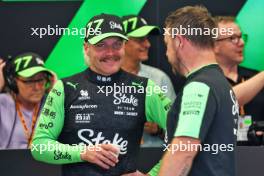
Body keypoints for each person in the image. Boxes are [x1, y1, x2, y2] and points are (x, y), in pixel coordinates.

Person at [31, 13, 171, 176]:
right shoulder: (65, 88)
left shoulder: (145, 88)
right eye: (101, 45)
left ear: (124, 46)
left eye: (117, 44)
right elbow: (39, 146)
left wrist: (153, 174)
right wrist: (83, 152)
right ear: (86, 48)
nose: (110, 53)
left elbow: (185, 138)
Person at [148, 6, 239, 176]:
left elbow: (182, 153)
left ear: (179, 41)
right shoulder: (222, 85)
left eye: (167, 45)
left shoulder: (199, 87)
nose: (167, 54)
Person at [121, 15, 176, 147]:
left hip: (155, 158)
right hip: (114, 160)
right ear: (122, 42)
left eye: (146, 39)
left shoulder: (159, 78)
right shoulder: (104, 78)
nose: (147, 44)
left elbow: (179, 129)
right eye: (140, 39)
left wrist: (158, 130)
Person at [214, 16, 264, 145]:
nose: (241, 42)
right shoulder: (204, 81)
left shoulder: (255, 78)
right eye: (233, 38)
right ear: (214, 45)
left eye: (241, 37)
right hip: (220, 158)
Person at [0, 52, 54, 149]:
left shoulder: (52, 104)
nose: (37, 87)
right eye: (29, 81)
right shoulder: (2, 103)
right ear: (13, 82)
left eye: (41, 80)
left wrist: (58, 95)